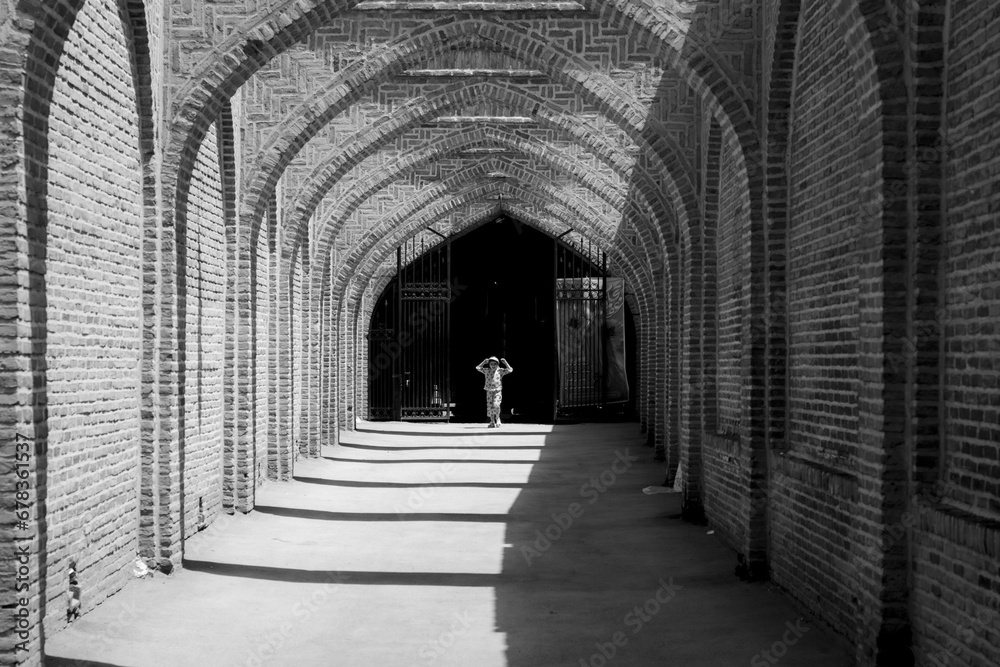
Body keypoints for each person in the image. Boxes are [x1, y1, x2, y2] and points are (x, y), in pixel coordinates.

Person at [475, 356, 513, 428]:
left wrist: (505, 363)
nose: (493, 366)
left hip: (497, 391)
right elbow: (478, 368)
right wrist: (484, 362)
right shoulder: (487, 371)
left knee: (496, 405)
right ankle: (492, 421)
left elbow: (510, 369)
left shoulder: (500, 371)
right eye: (491, 364)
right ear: (489, 364)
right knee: (490, 407)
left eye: (495, 364)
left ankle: (497, 418)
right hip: (489, 391)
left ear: (497, 364)